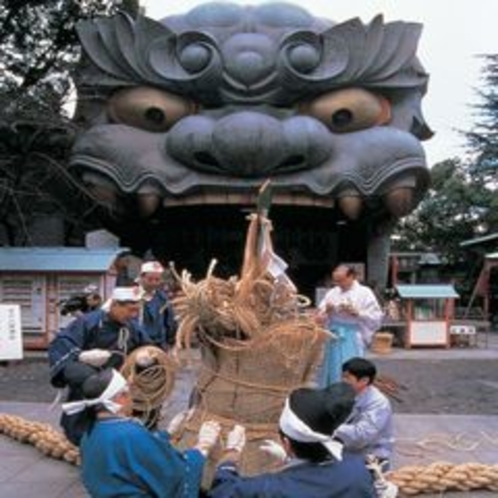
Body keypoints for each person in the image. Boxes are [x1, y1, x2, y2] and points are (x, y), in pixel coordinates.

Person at [63, 368, 221, 498]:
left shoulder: (90, 432)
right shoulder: (130, 434)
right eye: (128, 393)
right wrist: (202, 448)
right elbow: (175, 474)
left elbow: (129, 456)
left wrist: (167, 433)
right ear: (121, 398)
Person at [208, 382, 375, 498]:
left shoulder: (271, 488)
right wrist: (290, 461)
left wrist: (231, 454)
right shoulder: (358, 469)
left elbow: (223, 491)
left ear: (287, 444)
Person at [48, 286, 151, 445]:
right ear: (115, 304)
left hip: (120, 381)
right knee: (88, 382)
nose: (134, 315)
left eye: (136, 310)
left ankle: (119, 435)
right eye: (130, 310)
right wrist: (81, 355)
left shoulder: (132, 326)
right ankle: (80, 437)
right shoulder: (89, 321)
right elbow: (61, 343)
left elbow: (149, 348)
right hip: (90, 378)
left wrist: (146, 356)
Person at [316, 264, 383, 384]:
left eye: (341, 280)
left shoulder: (364, 292)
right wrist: (327, 310)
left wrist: (358, 313)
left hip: (352, 334)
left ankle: (351, 392)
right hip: (333, 333)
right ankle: (332, 390)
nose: (338, 284)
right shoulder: (333, 292)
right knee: (333, 364)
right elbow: (320, 313)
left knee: (351, 366)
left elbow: (376, 315)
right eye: (335, 281)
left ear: (351, 276)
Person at [335, 357, 394, 470]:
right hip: (346, 449)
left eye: (347, 378)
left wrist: (328, 426)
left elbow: (361, 435)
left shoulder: (378, 403)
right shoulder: (345, 392)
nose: (343, 380)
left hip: (372, 455)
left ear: (364, 381)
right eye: (342, 376)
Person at [136, 260, 177, 350]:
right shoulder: (131, 295)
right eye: (150, 279)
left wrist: (170, 341)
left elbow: (170, 322)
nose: (154, 283)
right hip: (136, 344)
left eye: (157, 280)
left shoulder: (162, 298)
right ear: (141, 277)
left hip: (159, 345)